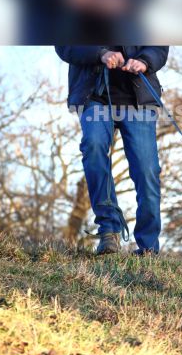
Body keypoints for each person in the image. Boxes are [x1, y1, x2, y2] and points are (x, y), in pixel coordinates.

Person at [56, 46, 169, 255]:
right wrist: (100, 53)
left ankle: (148, 246)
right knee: (93, 146)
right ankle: (108, 230)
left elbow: (159, 45)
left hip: (139, 99)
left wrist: (144, 61)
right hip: (94, 95)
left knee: (147, 170)